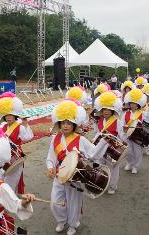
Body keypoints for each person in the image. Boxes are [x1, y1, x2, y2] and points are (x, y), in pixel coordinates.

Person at [46, 99, 96, 235]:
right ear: (59, 124)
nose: (65, 126)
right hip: (59, 176)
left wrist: (103, 143)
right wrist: (50, 166)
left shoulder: (81, 139)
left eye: (69, 123)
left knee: (74, 203)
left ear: (74, 125)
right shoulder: (55, 139)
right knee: (55, 202)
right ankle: (61, 220)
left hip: (76, 178)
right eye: (63, 122)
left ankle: (74, 224)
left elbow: (93, 153)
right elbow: (51, 157)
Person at [0, 92, 33, 194]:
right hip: (5, 158)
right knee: (2, 182)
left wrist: (26, 125)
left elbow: (28, 137)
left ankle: (11, 204)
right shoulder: (3, 127)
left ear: (15, 114)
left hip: (16, 158)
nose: (8, 117)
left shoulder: (19, 126)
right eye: (6, 115)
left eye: (10, 114)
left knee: (11, 183)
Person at [92, 91, 123, 194]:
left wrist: (118, 146)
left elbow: (121, 136)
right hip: (101, 149)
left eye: (109, 109)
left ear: (113, 110)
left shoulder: (117, 121)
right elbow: (97, 133)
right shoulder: (100, 120)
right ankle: (103, 183)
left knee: (113, 168)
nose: (106, 111)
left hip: (112, 149)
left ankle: (112, 186)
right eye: (104, 109)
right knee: (101, 166)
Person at [121, 88, 148, 174]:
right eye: (131, 103)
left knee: (137, 151)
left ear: (138, 104)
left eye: (134, 103)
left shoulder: (142, 113)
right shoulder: (126, 113)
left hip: (138, 136)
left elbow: (146, 124)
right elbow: (122, 123)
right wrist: (124, 130)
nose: (132, 105)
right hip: (128, 135)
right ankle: (129, 163)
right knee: (127, 151)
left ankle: (135, 166)